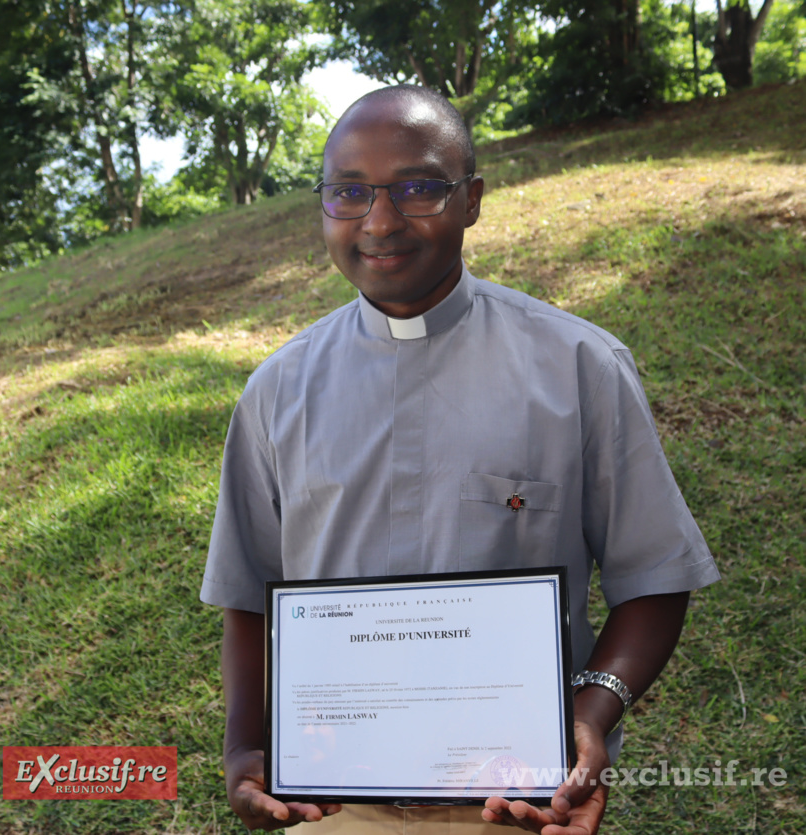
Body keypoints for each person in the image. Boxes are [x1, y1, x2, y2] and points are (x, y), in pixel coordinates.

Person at [200, 85, 720, 835]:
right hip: (333, 805)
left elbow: (655, 577)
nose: (379, 220)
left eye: (417, 187)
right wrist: (246, 747)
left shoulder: (579, 366)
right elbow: (248, 593)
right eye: (349, 192)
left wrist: (592, 710)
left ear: (470, 199)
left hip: (515, 806)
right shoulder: (276, 390)